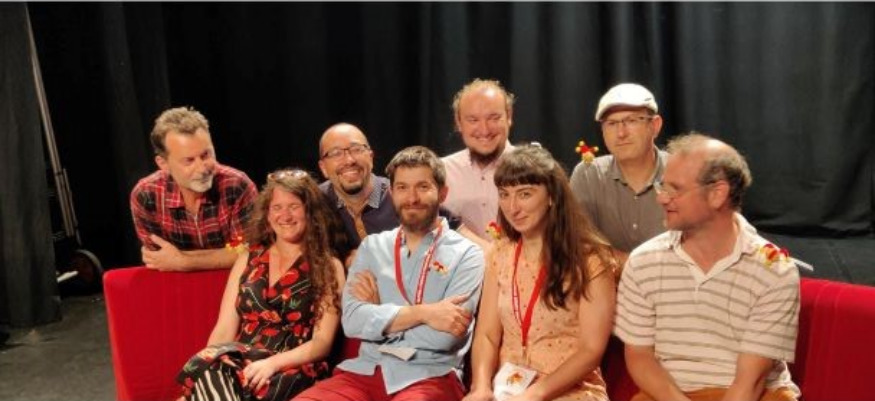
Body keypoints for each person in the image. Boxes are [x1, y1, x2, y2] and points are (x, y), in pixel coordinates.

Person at [615, 132, 800, 401]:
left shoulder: (773, 270)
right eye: (662, 186)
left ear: (717, 194)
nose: (662, 198)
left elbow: (750, 383)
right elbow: (639, 356)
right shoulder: (643, 261)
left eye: (675, 189)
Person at [294, 146, 485, 401]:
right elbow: (352, 321)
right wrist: (425, 314)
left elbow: (445, 337)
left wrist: (378, 319)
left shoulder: (468, 254)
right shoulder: (372, 247)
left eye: (423, 187)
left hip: (430, 376)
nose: (412, 198)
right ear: (392, 193)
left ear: (443, 193)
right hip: (366, 370)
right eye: (402, 188)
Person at [463, 145, 617, 401]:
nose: (513, 207)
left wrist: (535, 394)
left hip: (571, 390)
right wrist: (480, 387)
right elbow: (487, 335)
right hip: (509, 388)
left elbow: (590, 351)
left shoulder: (591, 260)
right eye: (504, 195)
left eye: (525, 194)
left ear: (552, 196)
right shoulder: (499, 254)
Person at [176, 169, 346, 401]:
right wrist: (209, 365)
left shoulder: (328, 265)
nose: (285, 215)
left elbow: (322, 343)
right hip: (241, 360)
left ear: (310, 213)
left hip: (291, 364)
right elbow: (224, 328)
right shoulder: (248, 258)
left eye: (294, 207)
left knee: (246, 388)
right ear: (267, 214)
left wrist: (272, 364)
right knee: (212, 371)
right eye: (277, 207)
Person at [130, 106, 258, 271]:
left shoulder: (237, 186)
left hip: (233, 281)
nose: (203, 168)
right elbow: (159, 259)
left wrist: (183, 261)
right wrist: (223, 256)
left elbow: (249, 252)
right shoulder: (146, 195)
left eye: (206, 155)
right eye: (189, 160)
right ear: (163, 164)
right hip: (176, 283)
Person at [318, 122, 466, 263]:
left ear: (371, 157)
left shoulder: (403, 194)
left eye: (356, 149)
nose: (349, 160)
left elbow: (458, 234)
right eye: (335, 153)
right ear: (323, 167)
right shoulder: (316, 201)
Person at [569, 83, 667, 257]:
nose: (621, 133)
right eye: (612, 123)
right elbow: (580, 245)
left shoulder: (681, 173)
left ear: (655, 125)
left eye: (631, 121)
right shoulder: (588, 174)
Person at [443, 78, 516, 246]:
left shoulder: (535, 170)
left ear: (509, 116)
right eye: (473, 120)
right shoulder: (440, 173)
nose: (484, 129)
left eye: (494, 118)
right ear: (458, 122)